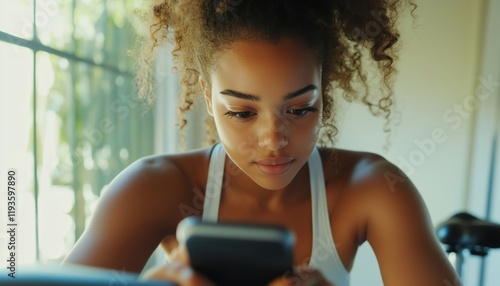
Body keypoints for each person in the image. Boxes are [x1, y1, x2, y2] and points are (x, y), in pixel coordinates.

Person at [64, 0, 462, 285]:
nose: (274, 140)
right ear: (207, 95)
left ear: (324, 90)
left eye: (301, 108)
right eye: (242, 112)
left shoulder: (375, 188)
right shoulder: (155, 187)